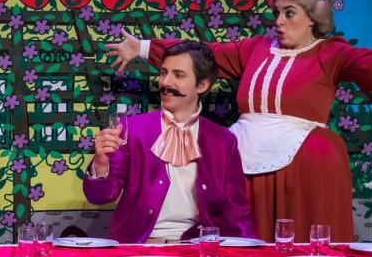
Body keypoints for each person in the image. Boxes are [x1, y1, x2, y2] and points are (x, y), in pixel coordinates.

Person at [106, 0, 372, 242]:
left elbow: (369, 63)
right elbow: (203, 55)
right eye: (277, 12)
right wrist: (144, 48)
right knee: (247, 238)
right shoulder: (256, 48)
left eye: (289, 13)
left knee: (304, 242)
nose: (278, 21)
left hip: (305, 162)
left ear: (313, 18)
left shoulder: (330, 53)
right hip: (248, 158)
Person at [84, 40, 255, 243]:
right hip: (142, 247)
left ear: (202, 85)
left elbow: (237, 214)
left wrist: (247, 255)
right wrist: (101, 163)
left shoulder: (223, 141)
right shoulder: (131, 129)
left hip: (198, 248)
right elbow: (100, 196)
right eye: (163, 73)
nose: (165, 82)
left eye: (178, 75)